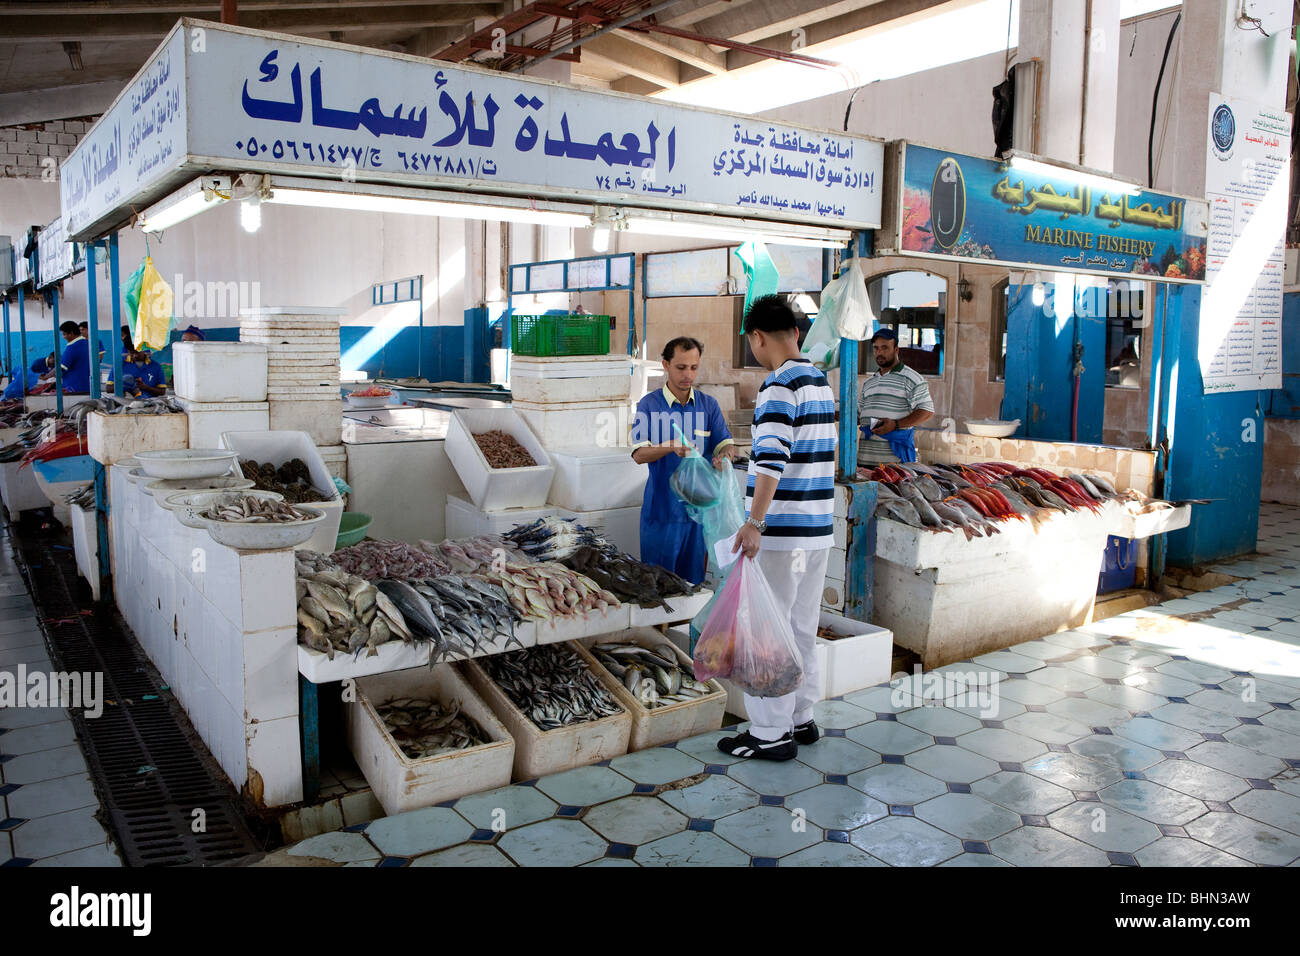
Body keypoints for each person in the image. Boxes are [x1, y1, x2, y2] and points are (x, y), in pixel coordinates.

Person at [717, 295, 837, 762]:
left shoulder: (778, 386)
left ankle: (770, 732)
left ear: (758, 337)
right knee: (801, 627)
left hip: (782, 534)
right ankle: (801, 718)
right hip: (817, 531)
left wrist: (754, 522)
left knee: (766, 630)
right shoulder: (818, 382)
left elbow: (771, 459)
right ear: (797, 332)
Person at [629, 336, 735, 586]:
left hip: (699, 517)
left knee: (693, 585)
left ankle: (687, 626)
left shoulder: (708, 406)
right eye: (681, 367)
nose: (688, 374)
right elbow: (638, 455)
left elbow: (726, 444)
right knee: (659, 586)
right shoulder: (649, 405)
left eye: (694, 367)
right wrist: (669, 446)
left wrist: (725, 457)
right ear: (665, 364)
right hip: (662, 513)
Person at [856, 327, 934, 466]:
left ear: (896, 350)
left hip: (895, 466)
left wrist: (896, 425)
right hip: (865, 462)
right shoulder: (869, 383)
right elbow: (860, 415)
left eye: (885, 348)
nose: (879, 352)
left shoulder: (912, 379)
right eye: (876, 348)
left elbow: (926, 411)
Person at [57, 320, 90, 393]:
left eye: (64, 334)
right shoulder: (88, 344)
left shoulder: (73, 347)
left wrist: (46, 377)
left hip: (73, 388)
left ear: (71, 334)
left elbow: (61, 368)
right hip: (88, 386)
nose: (63, 337)